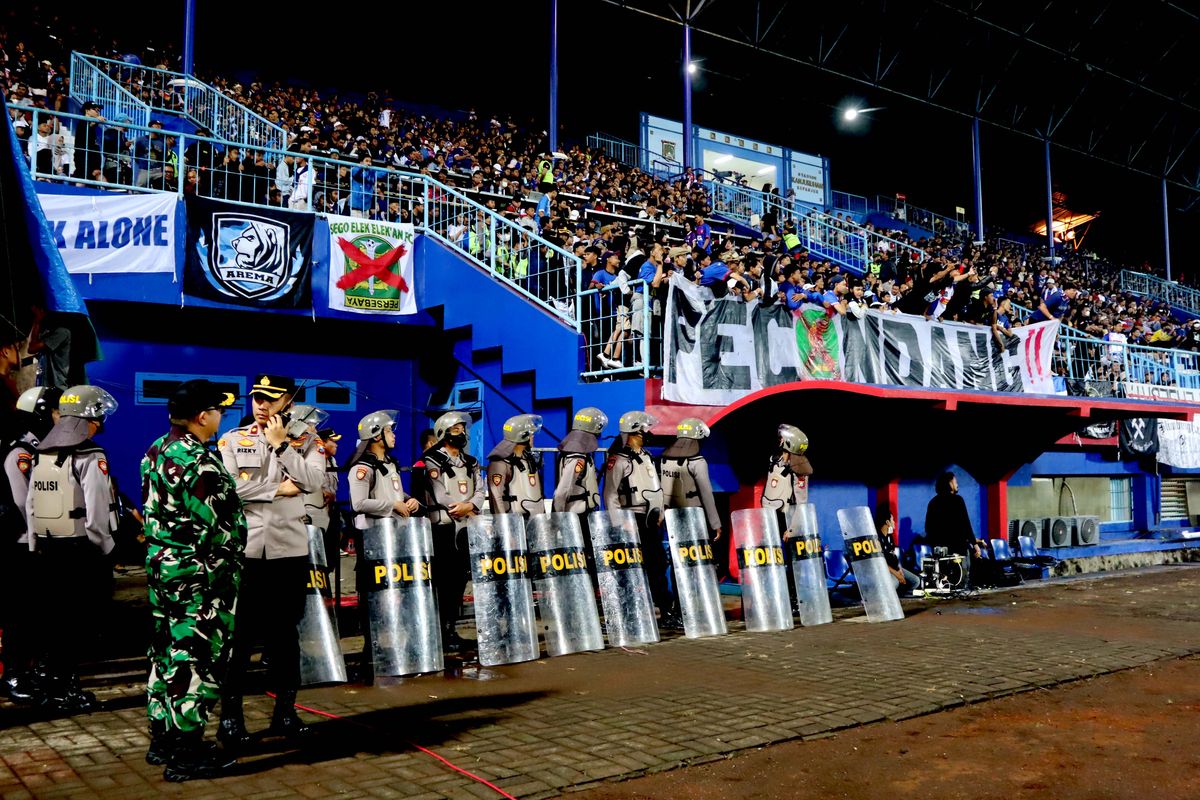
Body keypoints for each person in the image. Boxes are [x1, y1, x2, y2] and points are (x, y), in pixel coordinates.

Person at [141, 380, 245, 781]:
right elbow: (219, 527)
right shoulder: (199, 461)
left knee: (166, 653)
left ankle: (163, 738)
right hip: (200, 577)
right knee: (198, 659)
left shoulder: (156, 450)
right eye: (219, 411)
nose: (221, 417)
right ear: (203, 417)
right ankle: (186, 752)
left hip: (163, 572)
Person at [217, 375, 326, 750]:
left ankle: (285, 712)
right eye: (256, 398)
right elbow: (229, 487)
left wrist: (282, 449)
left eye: (270, 399)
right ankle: (230, 718)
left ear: (289, 400)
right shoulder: (233, 439)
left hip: (289, 552)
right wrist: (277, 488)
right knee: (240, 637)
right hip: (247, 552)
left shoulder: (308, 439)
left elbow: (313, 481)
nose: (261, 405)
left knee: (285, 637)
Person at [25, 385, 120, 712]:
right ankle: (67, 690)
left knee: (53, 622)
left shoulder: (42, 452)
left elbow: (30, 504)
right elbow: (96, 514)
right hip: (81, 553)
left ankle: (50, 685)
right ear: (89, 417)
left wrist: (35, 543)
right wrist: (106, 549)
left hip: (48, 550)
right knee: (75, 625)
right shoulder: (91, 455)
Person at [345, 410, 420, 680]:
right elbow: (358, 504)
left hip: (394, 538)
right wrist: (392, 506)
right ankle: (370, 648)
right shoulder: (361, 468)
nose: (393, 435)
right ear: (377, 435)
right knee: (372, 597)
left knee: (396, 596)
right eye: (389, 431)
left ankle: (396, 646)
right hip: (373, 541)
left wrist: (411, 501)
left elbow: (396, 494)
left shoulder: (389, 463)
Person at [0, 386, 61, 703]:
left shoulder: (39, 449)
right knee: (18, 615)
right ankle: (13, 675)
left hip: (33, 544)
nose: (60, 419)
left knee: (33, 614)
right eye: (56, 412)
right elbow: (26, 504)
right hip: (22, 546)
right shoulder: (21, 451)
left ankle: (26, 670)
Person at [409, 411, 484, 652]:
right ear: (443, 432)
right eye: (456, 429)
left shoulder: (471, 462)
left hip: (466, 527)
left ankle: (451, 628)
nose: (462, 433)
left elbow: (480, 491)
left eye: (463, 429)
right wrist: (461, 507)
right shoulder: (431, 460)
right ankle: (438, 632)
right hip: (441, 529)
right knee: (443, 583)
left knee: (460, 581)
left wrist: (471, 505)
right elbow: (440, 494)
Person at [603, 411, 678, 628]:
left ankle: (666, 611)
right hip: (631, 518)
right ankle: (627, 613)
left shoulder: (646, 456)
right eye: (642, 430)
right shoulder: (618, 460)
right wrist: (620, 522)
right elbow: (610, 494)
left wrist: (660, 513)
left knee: (657, 564)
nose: (646, 433)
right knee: (629, 569)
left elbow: (656, 487)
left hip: (651, 519)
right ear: (632, 433)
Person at [660, 418, 723, 574]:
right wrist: (715, 524)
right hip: (693, 516)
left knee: (675, 555)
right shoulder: (697, 462)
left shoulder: (664, 459)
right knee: (693, 556)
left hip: (669, 515)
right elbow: (706, 494)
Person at [923, 471, 981, 586]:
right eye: (955, 481)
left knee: (945, 580)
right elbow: (966, 524)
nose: (957, 484)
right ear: (949, 483)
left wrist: (935, 545)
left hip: (940, 550)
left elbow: (928, 527)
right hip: (958, 547)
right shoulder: (958, 500)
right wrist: (975, 544)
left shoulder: (932, 503)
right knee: (961, 578)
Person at [486, 414, 546, 517]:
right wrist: (503, 525)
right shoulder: (500, 463)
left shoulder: (530, 459)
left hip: (536, 522)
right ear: (523, 436)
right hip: (514, 523)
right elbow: (497, 498)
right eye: (531, 434)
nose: (533, 437)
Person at [760, 424, 813, 535]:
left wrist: (792, 530)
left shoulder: (799, 467)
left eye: (782, 438)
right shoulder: (776, 460)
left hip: (789, 520)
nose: (780, 440)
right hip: (772, 515)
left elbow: (801, 503)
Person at [875, 507, 921, 598]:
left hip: (894, 568)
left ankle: (900, 595)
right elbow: (880, 562)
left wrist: (899, 569)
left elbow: (893, 556)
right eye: (892, 520)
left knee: (916, 581)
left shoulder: (889, 537)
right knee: (894, 583)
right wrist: (896, 574)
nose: (894, 522)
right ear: (887, 522)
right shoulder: (877, 539)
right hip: (885, 570)